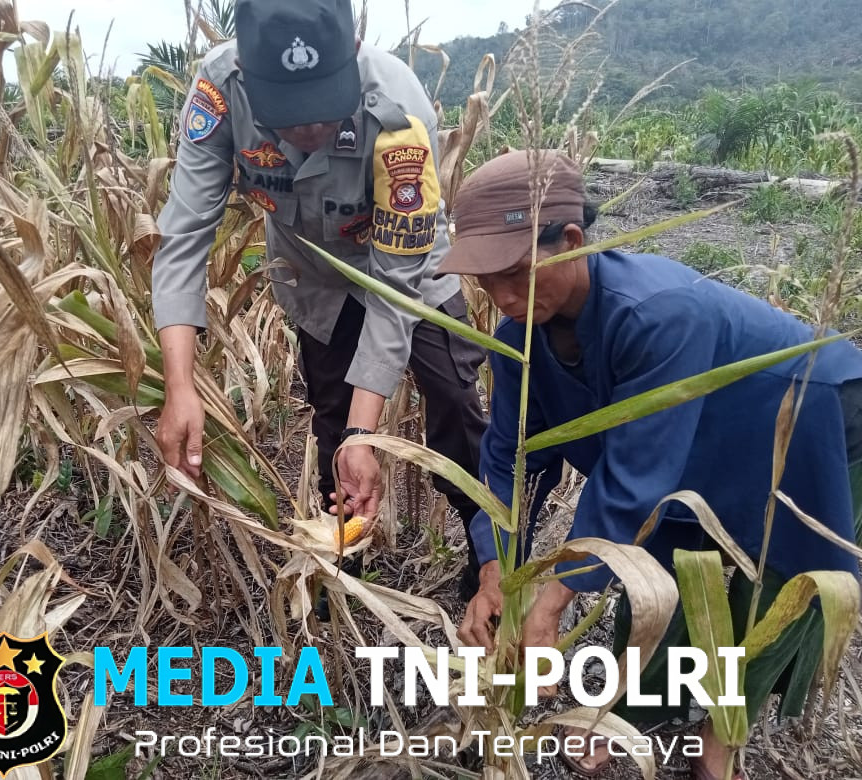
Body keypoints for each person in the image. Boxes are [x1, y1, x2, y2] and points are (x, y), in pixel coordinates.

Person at [444, 149, 862, 779]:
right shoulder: (517, 343)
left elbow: (634, 477)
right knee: (657, 569)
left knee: (770, 582)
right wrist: (493, 569)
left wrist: (553, 600)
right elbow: (509, 458)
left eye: (516, 273)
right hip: (693, 438)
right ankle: (636, 714)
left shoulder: (656, 313)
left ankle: (722, 742)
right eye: (484, 281)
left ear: (573, 241)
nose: (501, 296)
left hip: (806, 416)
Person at [150, 0, 488, 593]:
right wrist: (179, 386)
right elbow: (182, 241)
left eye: (323, 113)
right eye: (288, 116)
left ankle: (488, 556)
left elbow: (392, 287)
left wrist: (370, 433)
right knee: (335, 425)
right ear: (250, 77)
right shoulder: (221, 91)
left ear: (353, 54)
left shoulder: (398, 109)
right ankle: (343, 570)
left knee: (455, 406)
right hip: (314, 274)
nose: (308, 133)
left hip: (410, 273)